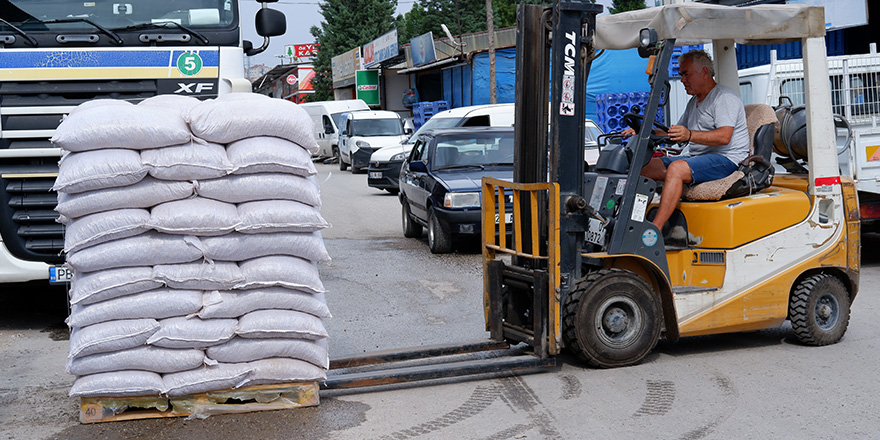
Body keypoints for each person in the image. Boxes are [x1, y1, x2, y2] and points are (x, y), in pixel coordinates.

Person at [623, 49, 749, 231]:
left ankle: (653, 231)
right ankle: (634, 220)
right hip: (699, 158)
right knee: (645, 167)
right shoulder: (695, 102)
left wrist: (689, 135)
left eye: (686, 74)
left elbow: (724, 136)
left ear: (704, 72)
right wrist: (642, 131)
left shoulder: (724, 98)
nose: (682, 80)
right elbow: (673, 133)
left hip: (727, 159)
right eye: (681, 75)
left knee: (676, 169)